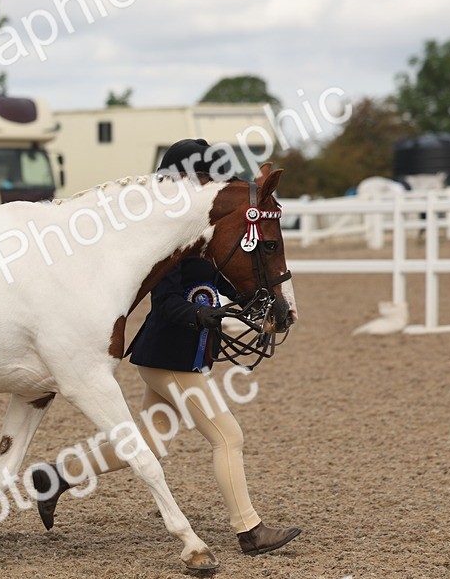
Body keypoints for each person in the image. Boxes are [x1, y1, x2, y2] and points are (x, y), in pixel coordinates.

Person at [31, 139, 301, 556]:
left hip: (179, 357)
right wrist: (205, 316)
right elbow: (169, 303)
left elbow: (229, 282)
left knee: (150, 443)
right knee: (228, 436)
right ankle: (249, 530)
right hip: (172, 357)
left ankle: (56, 476)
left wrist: (263, 308)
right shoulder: (167, 244)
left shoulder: (206, 234)